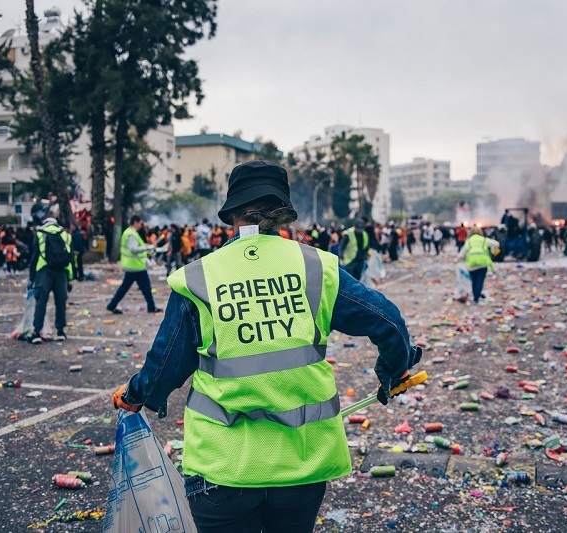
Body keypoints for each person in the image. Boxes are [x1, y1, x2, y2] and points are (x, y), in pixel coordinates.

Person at [111, 160, 421, 533]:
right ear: (285, 215)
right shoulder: (316, 267)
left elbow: (166, 364)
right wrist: (393, 369)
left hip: (223, 469)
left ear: (232, 217)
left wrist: (135, 395)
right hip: (302, 466)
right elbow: (387, 322)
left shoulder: (200, 277)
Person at [28, 217, 74, 343]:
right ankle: (60, 331)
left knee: (41, 302)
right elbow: (70, 259)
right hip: (62, 273)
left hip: (44, 272)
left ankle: (37, 332)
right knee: (60, 302)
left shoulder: (40, 235)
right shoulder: (66, 236)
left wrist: (31, 278)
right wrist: (70, 279)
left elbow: (35, 257)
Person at [106, 215, 161, 315]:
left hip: (133, 266)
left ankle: (112, 305)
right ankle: (151, 307)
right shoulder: (131, 234)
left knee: (126, 288)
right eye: (140, 223)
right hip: (136, 266)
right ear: (135, 222)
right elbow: (133, 249)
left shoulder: (128, 232)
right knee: (146, 288)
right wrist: (147, 248)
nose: (141, 225)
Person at [456, 226, 499, 304]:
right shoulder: (484, 240)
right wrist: (493, 252)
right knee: (480, 280)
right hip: (483, 262)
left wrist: (459, 259)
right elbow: (496, 243)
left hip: (472, 263)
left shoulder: (469, 241)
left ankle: (475, 296)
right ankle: (476, 297)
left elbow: (462, 254)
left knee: (474, 281)